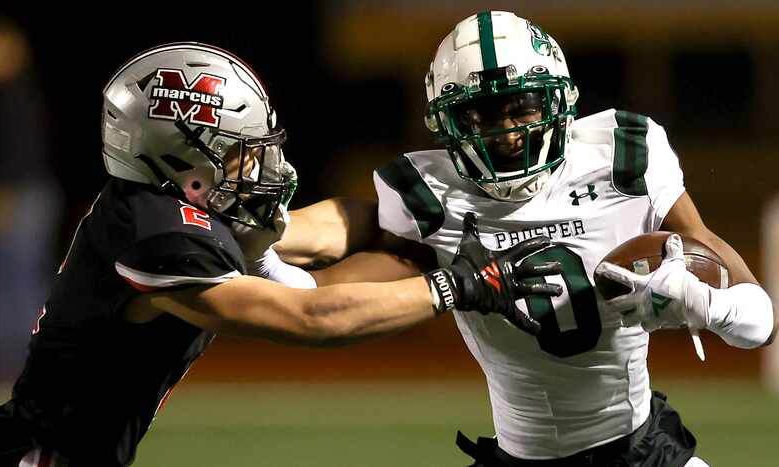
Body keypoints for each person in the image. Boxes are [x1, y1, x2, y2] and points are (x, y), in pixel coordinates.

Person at [0, 42, 564, 467]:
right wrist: (463, 285)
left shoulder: (172, 210)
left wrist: (424, 227)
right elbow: (311, 319)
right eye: (241, 150)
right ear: (180, 157)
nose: (260, 166)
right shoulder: (156, 232)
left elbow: (311, 268)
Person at [268, 11, 777, 467]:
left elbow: (759, 322)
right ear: (450, 123)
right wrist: (256, 253)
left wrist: (705, 302)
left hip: (644, 451)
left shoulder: (620, 155)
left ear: (559, 101)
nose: (508, 132)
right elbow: (321, 295)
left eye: (523, 108)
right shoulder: (435, 196)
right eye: (484, 115)